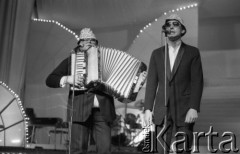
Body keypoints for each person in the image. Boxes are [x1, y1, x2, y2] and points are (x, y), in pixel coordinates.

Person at [46, 28, 116, 154]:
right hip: (79, 110)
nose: (90, 44)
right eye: (86, 41)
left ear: (96, 43)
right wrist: (68, 78)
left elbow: (120, 81)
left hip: (103, 111)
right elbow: (50, 79)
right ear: (80, 44)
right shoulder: (72, 61)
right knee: (78, 150)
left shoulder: (106, 59)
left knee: (105, 150)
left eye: (93, 41)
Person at [144, 14, 204, 154]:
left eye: (175, 24)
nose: (171, 26)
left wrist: (194, 107)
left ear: (183, 30)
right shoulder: (157, 54)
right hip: (161, 108)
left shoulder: (192, 52)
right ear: (164, 29)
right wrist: (148, 108)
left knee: (183, 148)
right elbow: (152, 81)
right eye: (168, 24)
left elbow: (197, 81)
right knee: (160, 149)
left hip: (184, 108)